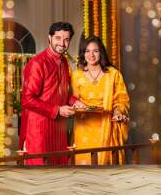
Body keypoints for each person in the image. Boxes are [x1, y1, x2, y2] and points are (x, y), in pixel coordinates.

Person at [20, 22, 85, 165]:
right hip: (39, 130)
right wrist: (57, 110)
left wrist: (75, 101)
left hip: (59, 130)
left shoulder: (64, 62)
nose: (62, 43)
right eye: (58, 38)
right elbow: (27, 99)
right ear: (49, 38)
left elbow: (62, 93)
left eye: (66, 39)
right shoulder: (37, 63)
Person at [71, 36, 130, 165]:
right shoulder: (76, 75)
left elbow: (121, 98)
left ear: (101, 53)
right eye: (87, 51)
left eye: (95, 51)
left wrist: (118, 111)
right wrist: (76, 104)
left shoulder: (113, 74)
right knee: (85, 168)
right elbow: (71, 99)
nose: (91, 55)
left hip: (107, 126)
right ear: (83, 53)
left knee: (106, 169)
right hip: (83, 128)